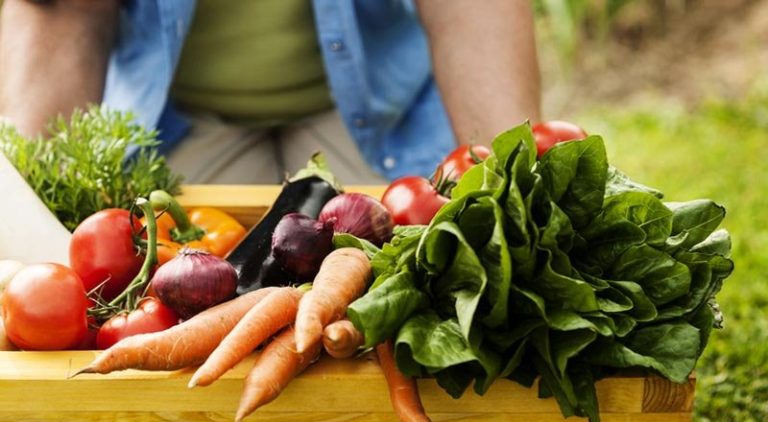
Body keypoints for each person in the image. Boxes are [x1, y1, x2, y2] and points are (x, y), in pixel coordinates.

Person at [0, 0, 541, 185]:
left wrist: (514, 185)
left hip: (378, 108)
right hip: (175, 115)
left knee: (415, 289)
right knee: (177, 297)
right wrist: (29, 216)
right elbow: (64, 12)